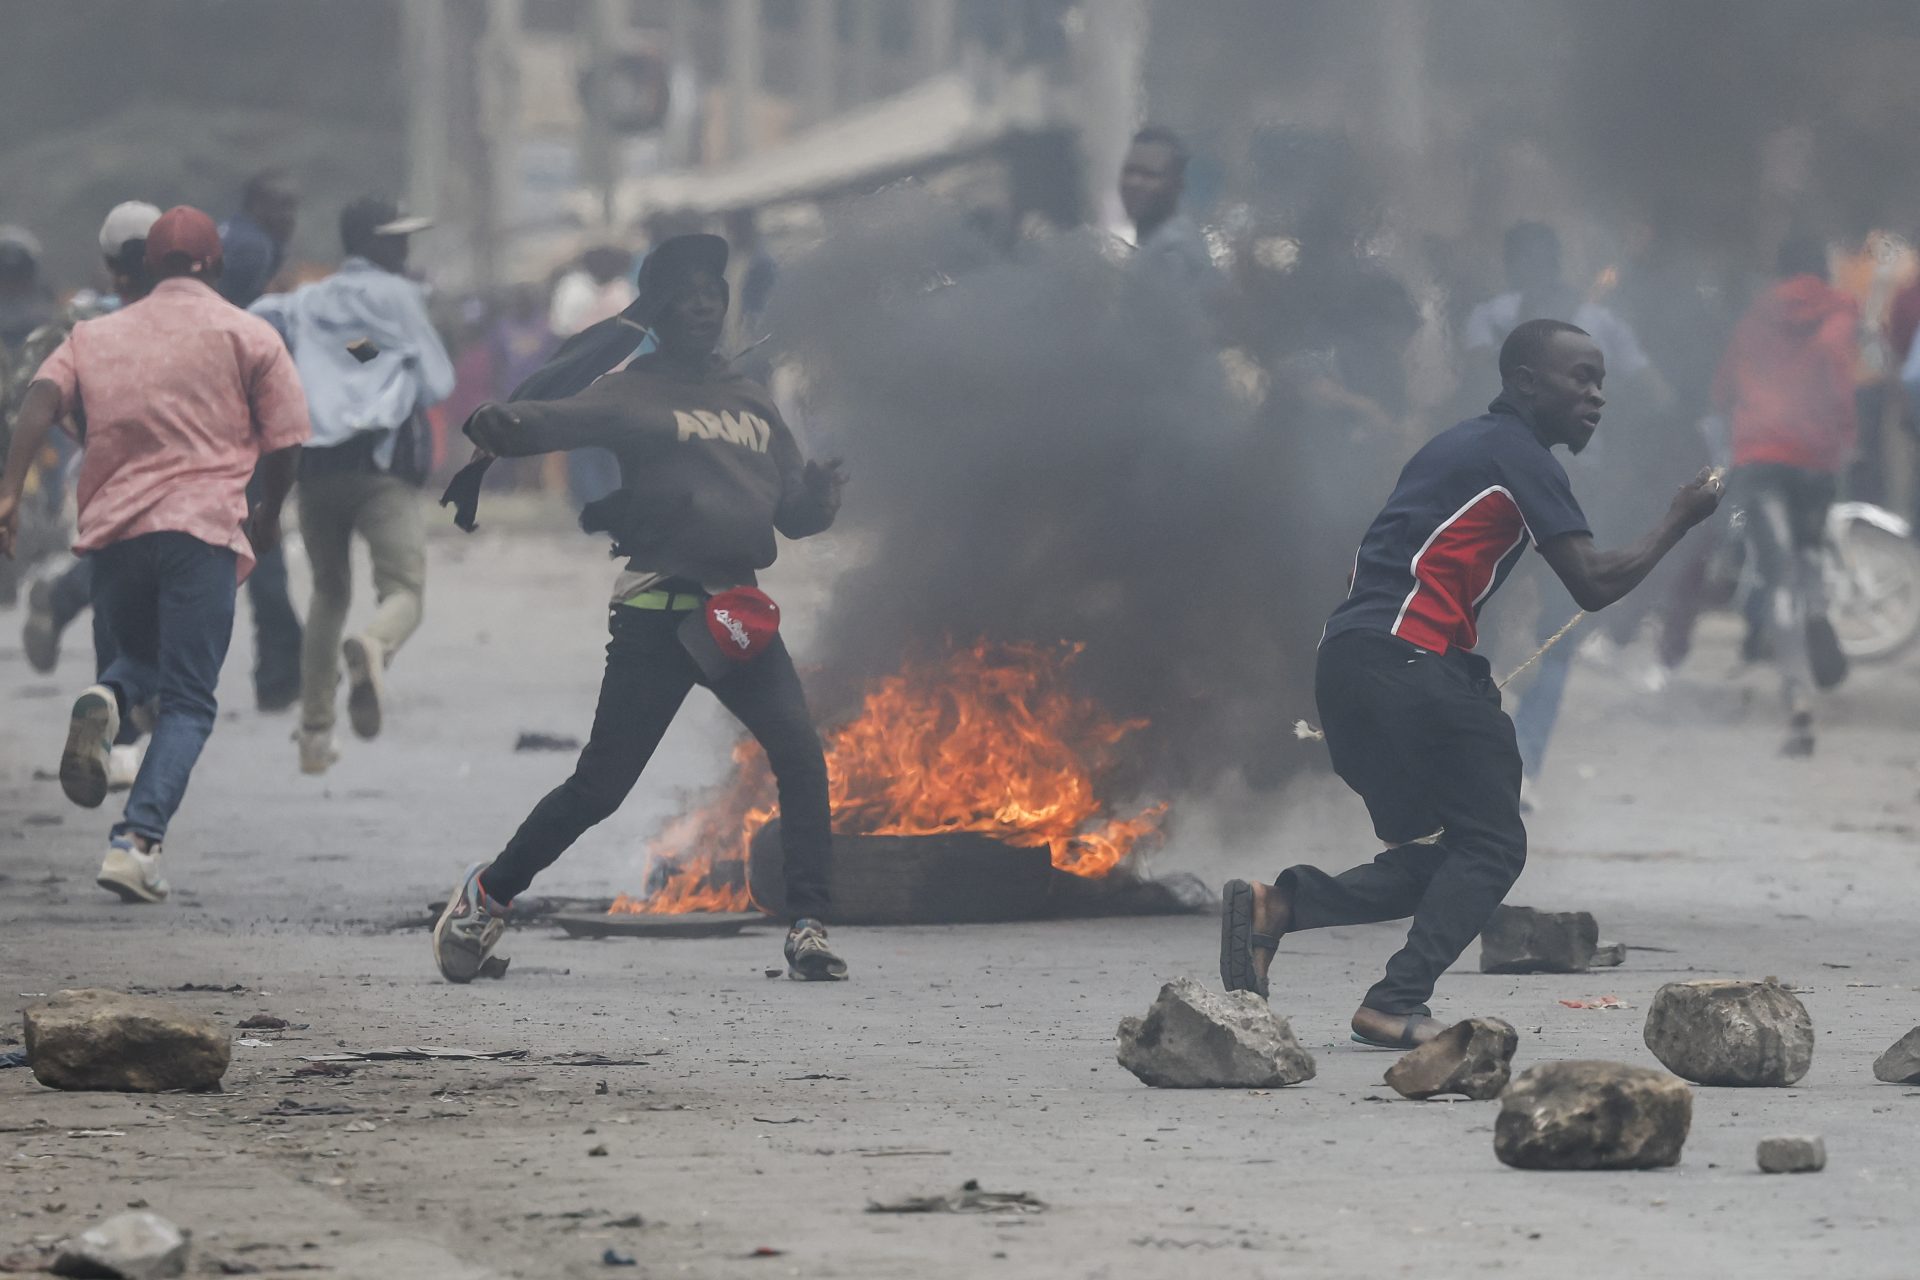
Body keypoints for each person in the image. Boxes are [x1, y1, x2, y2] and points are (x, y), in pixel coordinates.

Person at [1220, 319, 1722, 1049]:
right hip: (1408, 664)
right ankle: (1395, 999)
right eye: (1580, 378)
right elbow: (1594, 582)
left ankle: (1279, 907)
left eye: (1601, 381)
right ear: (1524, 381)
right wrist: (1680, 518)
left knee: (1460, 854)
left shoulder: (1452, 445)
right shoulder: (1518, 454)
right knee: (1492, 849)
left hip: (1349, 665)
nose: (1597, 396)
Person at [430, 234, 849, 985]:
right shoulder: (630, 391)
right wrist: (503, 426)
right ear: (656, 309)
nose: (702, 304)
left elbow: (792, 514)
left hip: (734, 617)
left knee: (799, 755)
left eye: (713, 293)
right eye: (685, 293)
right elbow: (550, 422)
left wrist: (818, 497)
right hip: (657, 614)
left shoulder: (751, 399)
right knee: (601, 787)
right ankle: (487, 894)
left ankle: (809, 926)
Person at [0, 206, 310, 903]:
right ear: (216, 265)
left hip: (114, 535)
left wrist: (11, 491)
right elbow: (288, 438)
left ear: (144, 266)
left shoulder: (94, 333)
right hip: (199, 533)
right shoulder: (248, 333)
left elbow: (41, 397)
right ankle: (136, 844)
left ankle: (105, 696)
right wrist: (269, 510)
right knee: (190, 703)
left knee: (136, 665)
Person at [1463, 222, 1666, 802]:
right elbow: (1654, 392)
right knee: (1510, 621)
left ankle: (1510, 759)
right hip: (1532, 482)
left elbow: (1651, 392)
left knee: (1521, 619)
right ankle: (1507, 757)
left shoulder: (1512, 321)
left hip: (1546, 483)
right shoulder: (1586, 327)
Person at [251, 197, 454, 774]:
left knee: (328, 593)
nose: (406, 248)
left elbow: (266, 326)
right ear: (376, 242)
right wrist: (384, 362)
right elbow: (437, 380)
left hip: (314, 469)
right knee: (403, 590)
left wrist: (350, 356)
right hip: (379, 466)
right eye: (398, 238)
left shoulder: (308, 300)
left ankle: (315, 733)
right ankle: (375, 646)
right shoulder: (399, 297)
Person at [17, 201, 164, 784]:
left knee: (117, 601)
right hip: (177, 487)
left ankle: (120, 714)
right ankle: (132, 717)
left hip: (102, 481)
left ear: (108, 262)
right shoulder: (197, 318)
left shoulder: (82, 322)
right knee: (176, 605)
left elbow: (34, 393)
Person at [1719, 235, 1859, 756]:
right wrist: (1844, 437)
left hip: (1760, 454)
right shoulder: (1839, 313)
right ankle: (1818, 610)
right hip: (1815, 457)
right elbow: (1838, 372)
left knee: (1776, 579)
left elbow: (1723, 390)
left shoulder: (1752, 319)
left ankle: (1796, 699)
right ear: (1822, 269)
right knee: (1808, 557)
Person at [219, 169, 307, 712]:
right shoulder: (255, 255)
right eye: (281, 206)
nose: (289, 219)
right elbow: (263, 329)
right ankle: (281, 671)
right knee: (261, 539)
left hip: (214, 415)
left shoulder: (235, 240)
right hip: (246, 422)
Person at [1118, 125, 1213, 283]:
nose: (1134, 182)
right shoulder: (1155, 242)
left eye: (1150, 175)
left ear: (1176, 184)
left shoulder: (1172, 254)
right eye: (1130, 171)